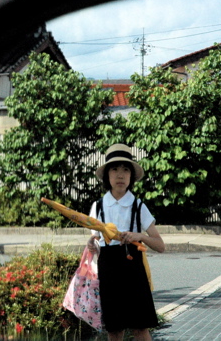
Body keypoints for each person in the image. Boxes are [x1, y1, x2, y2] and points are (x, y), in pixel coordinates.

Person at [87, 144, 165, 341]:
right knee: (114, 330)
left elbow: (160, 246)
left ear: (131, 176)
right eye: (114, 169)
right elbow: (96, 242)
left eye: (125, 169)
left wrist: (140, 237)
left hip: (134, 273)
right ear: (107, 176)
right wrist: (91, 244)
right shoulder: (98, 207)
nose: (120, 175)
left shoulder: (138, 207)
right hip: (108, 273)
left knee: (140, 328)